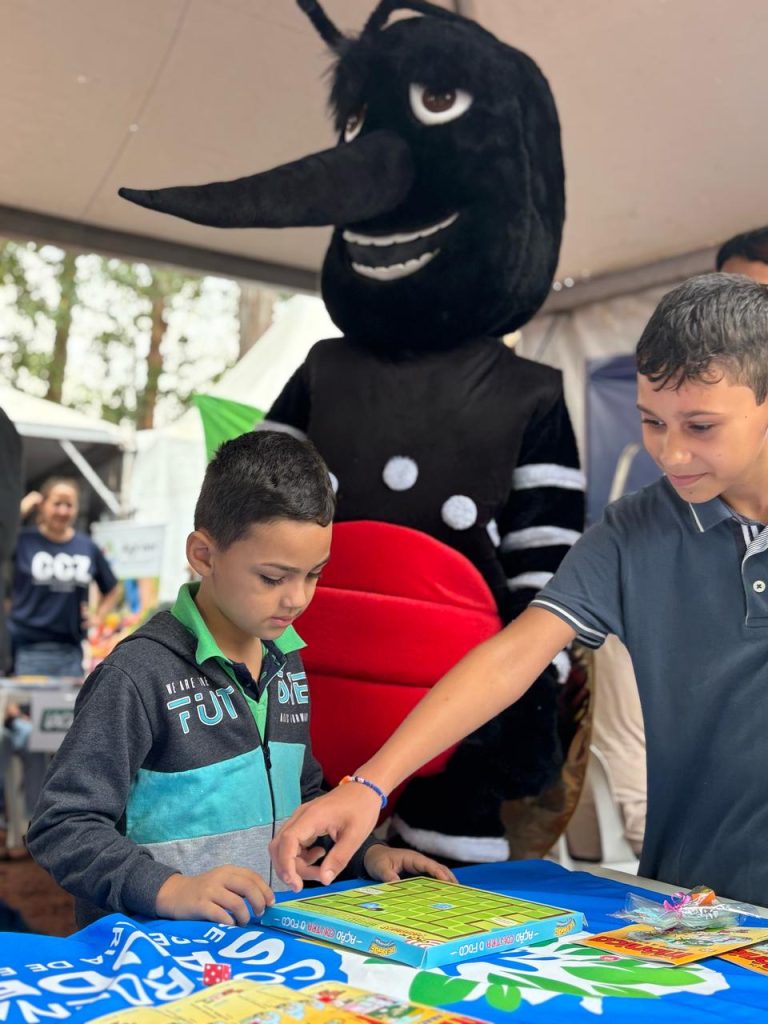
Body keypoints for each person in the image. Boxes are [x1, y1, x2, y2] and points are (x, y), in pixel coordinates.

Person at [271, 273, 768, 906]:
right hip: (694, 906)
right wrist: (370, 786)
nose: (670, 454)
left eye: (700, 426)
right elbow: (513, 656)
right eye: (651, 421)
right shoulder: (634, 532)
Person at [27, 432, 453, 928]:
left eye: (314, 574)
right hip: (157, 955)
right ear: (203, 555)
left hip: (263, 949)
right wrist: (170, 889)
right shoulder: (136, 675)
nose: (297, 598)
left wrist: (366, 855)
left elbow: (302, 798)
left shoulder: (287, 662)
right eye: (273, 578)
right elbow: (63, 825)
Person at [10, 478, 120, 678]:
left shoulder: (86, 546)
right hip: (26, 649)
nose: (63, 511)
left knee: (68, 700)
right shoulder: (23, 541)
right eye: (57, 503)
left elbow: (112, 588)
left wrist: (98, 617)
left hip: (70, 652)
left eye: (69, 505)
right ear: (42, 505)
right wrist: (23, 507)